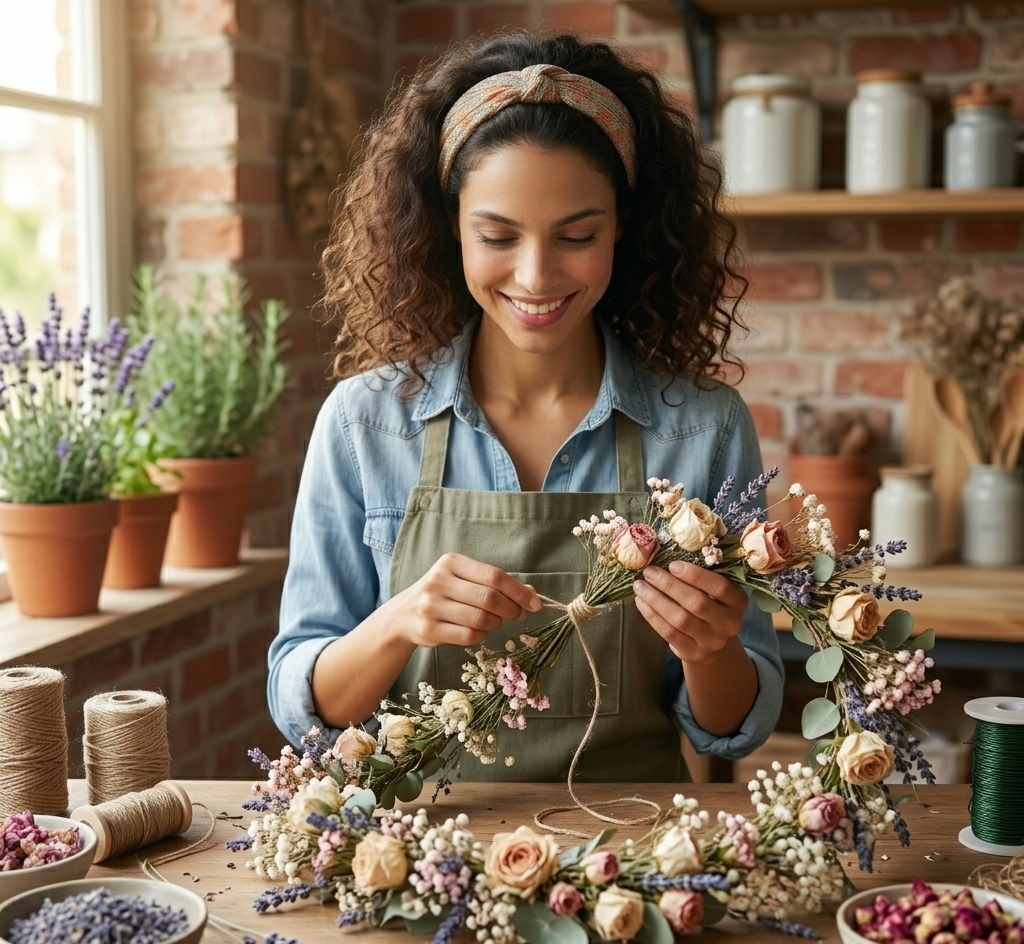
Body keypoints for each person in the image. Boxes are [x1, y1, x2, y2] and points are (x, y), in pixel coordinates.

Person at [268, 31, 783, 781]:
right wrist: (397, 623)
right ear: (450, 226)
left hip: (632, 839)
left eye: (577, 235)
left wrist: (710, 648)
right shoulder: (364, 423)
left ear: (623, 225)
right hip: (412, 841)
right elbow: (307, 707)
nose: (536, 277)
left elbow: (732, 730)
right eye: (497, 236)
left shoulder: (703, 427)